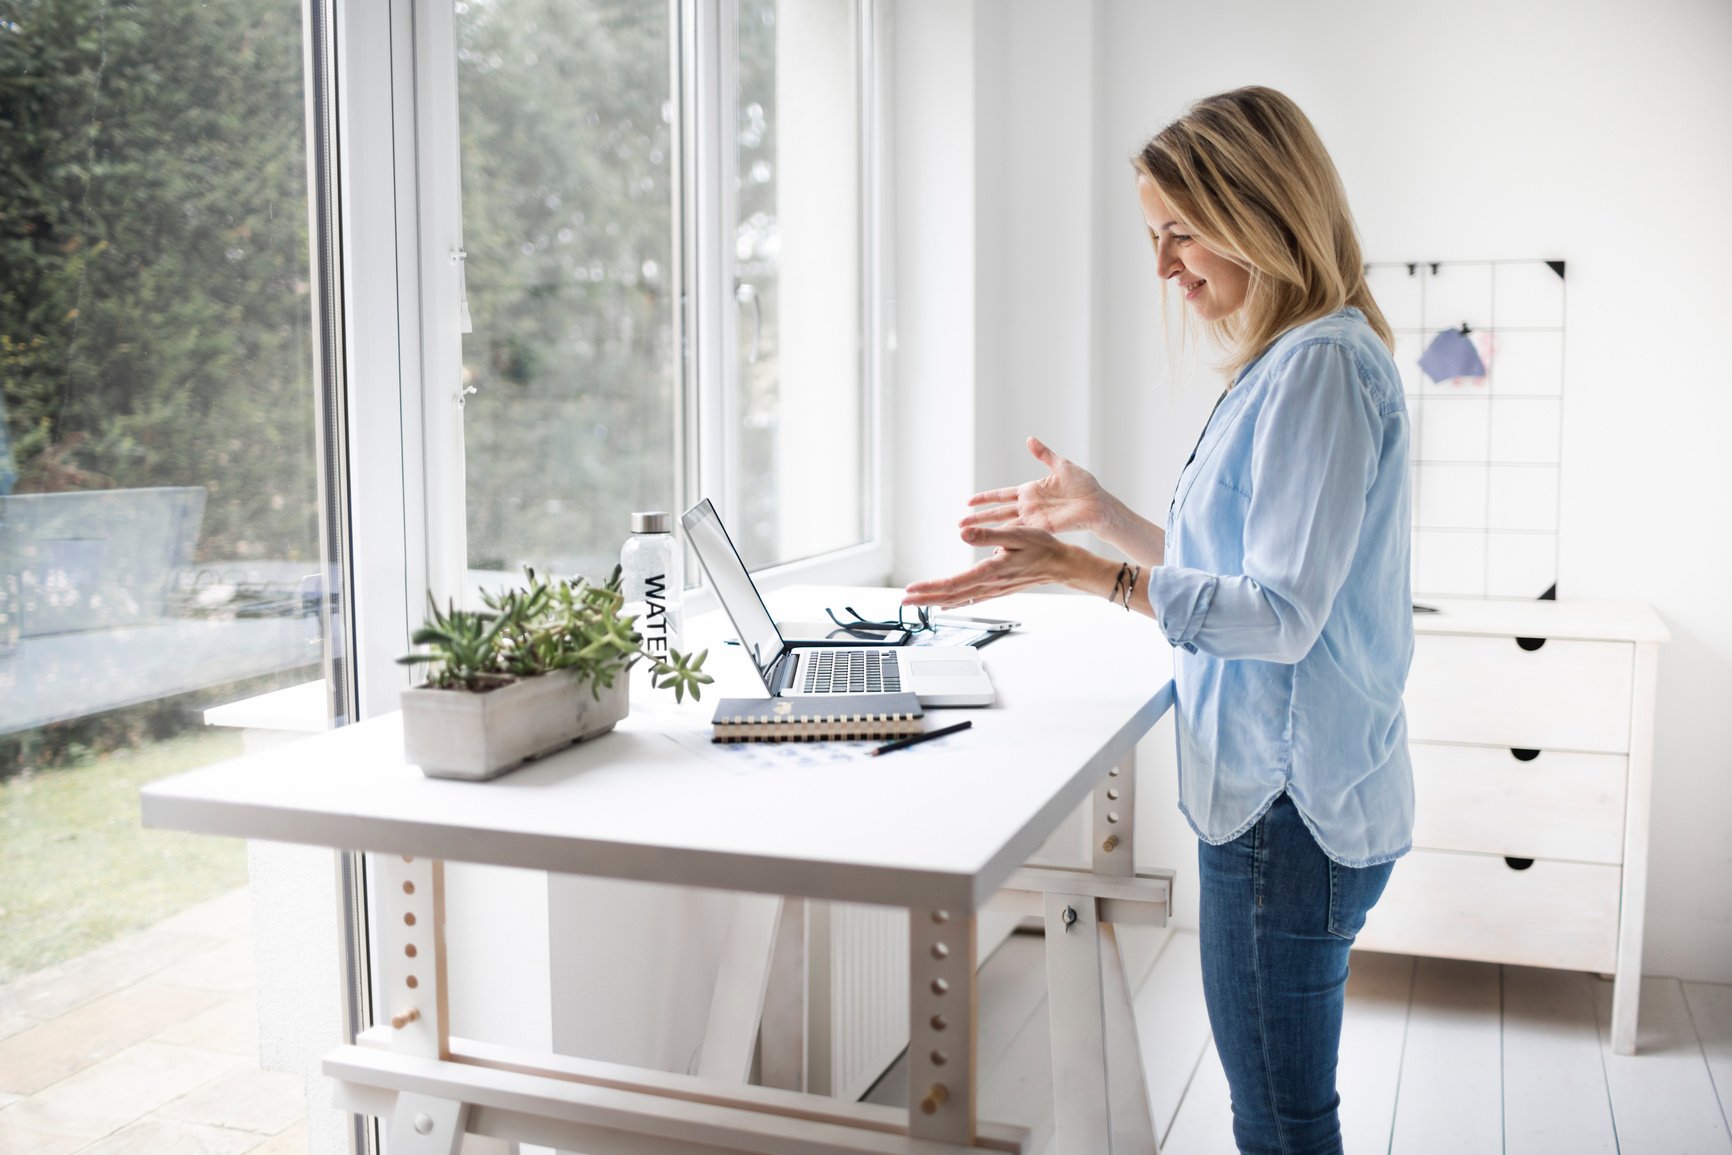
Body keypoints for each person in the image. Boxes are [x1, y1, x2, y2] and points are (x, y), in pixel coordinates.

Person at [903, 86, 1413, 1155]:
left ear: (1258, 209)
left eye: (1179, 231)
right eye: (1153, 235)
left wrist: (1084, 573)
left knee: (1276, 1117)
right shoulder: (1298, 360)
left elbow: (1274, 619)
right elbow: (1237, 570)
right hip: (1294, 802)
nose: (1163, 266)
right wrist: (1107, 519)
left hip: (1290, 813)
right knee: (1278, 1103)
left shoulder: (1317, 365)